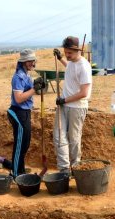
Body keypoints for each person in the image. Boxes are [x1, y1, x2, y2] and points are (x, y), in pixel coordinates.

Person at [53, 36, 92, 174]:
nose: (67, 55)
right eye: (65, 52)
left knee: (74, 138)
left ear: (78, 51)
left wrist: (64, 100)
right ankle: (64, 169)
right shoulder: (71, 62)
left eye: (69, 53)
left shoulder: (84, 67)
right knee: (58, 136)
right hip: (64, 105)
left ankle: (76, 169)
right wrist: (60, 58)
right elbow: (69, 67)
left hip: (77, 107)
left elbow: (84, 93)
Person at [7, 49, 44, 177]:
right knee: (20, 144)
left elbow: (29, 93)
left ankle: (20, 169)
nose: (32, 63)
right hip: (18, 112)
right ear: (23, 62)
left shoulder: (27, 74)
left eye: (33, 60)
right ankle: (15, 173)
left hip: (25, 112)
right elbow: (18, 98)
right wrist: (34, 89)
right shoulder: (18, 77)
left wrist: (37, 86)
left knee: (26, 143)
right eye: (29, 61)